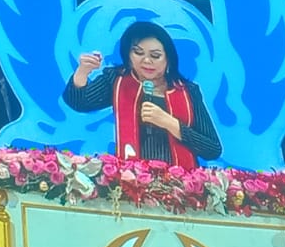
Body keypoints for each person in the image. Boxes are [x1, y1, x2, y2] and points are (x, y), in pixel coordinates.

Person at [63, 22, 223, 165]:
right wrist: (83, 72)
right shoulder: (116, 79)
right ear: (128, 55)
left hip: (179, 182)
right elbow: (79, 102)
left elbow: (213, 149)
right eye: (138, 53)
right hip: (130, 179)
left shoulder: (188, 91)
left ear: (168, 59)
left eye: (155, 56)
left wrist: (170, 123)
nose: (146, 61)